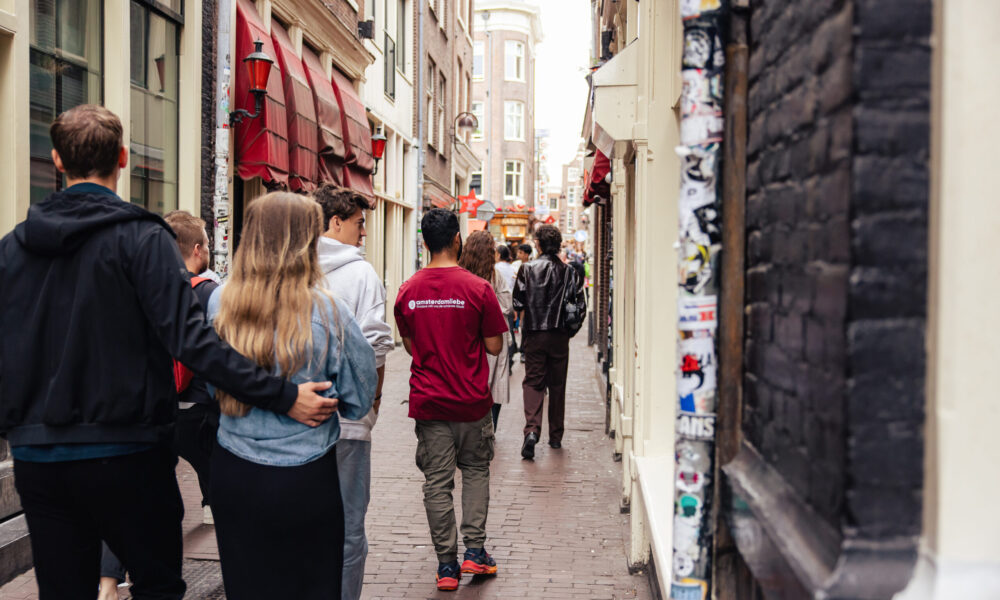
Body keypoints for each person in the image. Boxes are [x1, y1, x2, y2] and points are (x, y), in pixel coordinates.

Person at [0, 105, 337, 600]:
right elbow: (194, 342)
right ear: (123, 158)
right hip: (127, 452)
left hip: (38, 455)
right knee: (157, 586)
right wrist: (281, 395)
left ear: (56, 160)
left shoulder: (12, 249)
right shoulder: (142, 239)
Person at [206, 192, 377, 600]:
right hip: (306, 476)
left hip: (233, 470)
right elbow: (360, 397)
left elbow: (215, 384)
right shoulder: (330, 311)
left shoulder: (220, 302)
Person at [99, 210, 221, 600]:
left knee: (131, 499)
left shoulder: (138, 287)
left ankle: (108, 582)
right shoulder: (206, 291)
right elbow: (217, 355)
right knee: (219, 487)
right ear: (198, 249)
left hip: (150, 411)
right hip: (197, 410)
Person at [393, 209, 507, 592]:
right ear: (457, 240)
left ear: (424, 242)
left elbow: (411, 346)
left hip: (430, 404)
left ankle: (446, 565)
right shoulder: (478, 289)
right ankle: (475, 551)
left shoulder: (408, 291)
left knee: (436, 483)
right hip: (472, 402)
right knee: (475, 470)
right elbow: (495, 346)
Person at [313, 184, 395, 600]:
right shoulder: (363, 274)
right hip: (347, 422)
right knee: (348, 528)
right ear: (335, 222)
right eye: (360, 223)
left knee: (307, 524)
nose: (364, 232)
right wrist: (373, 404)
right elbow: (376, 346)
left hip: (299, 422)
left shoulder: (294, 267)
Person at [513, 225, 583, 459]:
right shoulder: (569, 271)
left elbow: (518, 302)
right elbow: (579, 304)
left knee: (533, 382)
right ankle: (555, 436)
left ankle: (532, 430)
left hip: (534, 332)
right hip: (559, 334)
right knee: (557, 384)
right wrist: (569, 332)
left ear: (538, 244)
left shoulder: (527, 269)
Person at [460, 232, 513, 429]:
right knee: (494, 385)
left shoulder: (460, 273)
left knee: (469, 382)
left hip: (466, 337)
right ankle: (490, 428)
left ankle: (469, 425)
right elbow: (506, 304)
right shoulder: (495, 276)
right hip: (492, 338)